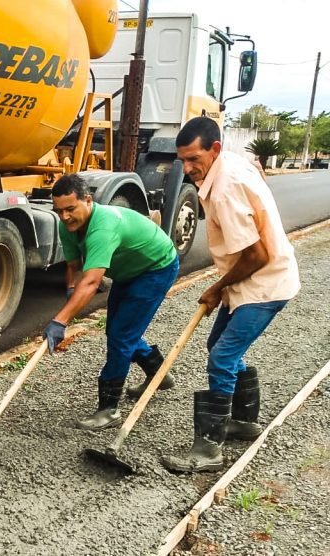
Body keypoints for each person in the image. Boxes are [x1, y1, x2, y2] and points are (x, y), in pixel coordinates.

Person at [162, 117, 300, 473]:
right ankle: (243, 421)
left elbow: (257, 255)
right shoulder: (229, 165)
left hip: (265, 284)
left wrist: (217, 286)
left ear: (215, 149)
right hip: (250, 279)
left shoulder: (225, 190)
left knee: (222, 357)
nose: (187, 168)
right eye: (182, 160)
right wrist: (225, 285)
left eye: (194, 159)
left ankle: (209, 449)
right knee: (218, 346)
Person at [43, 174, 179, 430]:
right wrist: (72, 291)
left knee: (121, 336)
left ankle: (109, 410)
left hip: (156, 268)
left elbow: (92, 281)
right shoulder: (68, 226)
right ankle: (159, 374)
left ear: (88, 200)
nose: (65, 216)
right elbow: (74, 265)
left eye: (70, 209)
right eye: (59, 211)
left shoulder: (102, 227)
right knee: (117, 332)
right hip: (127, 272)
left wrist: (60, 321)